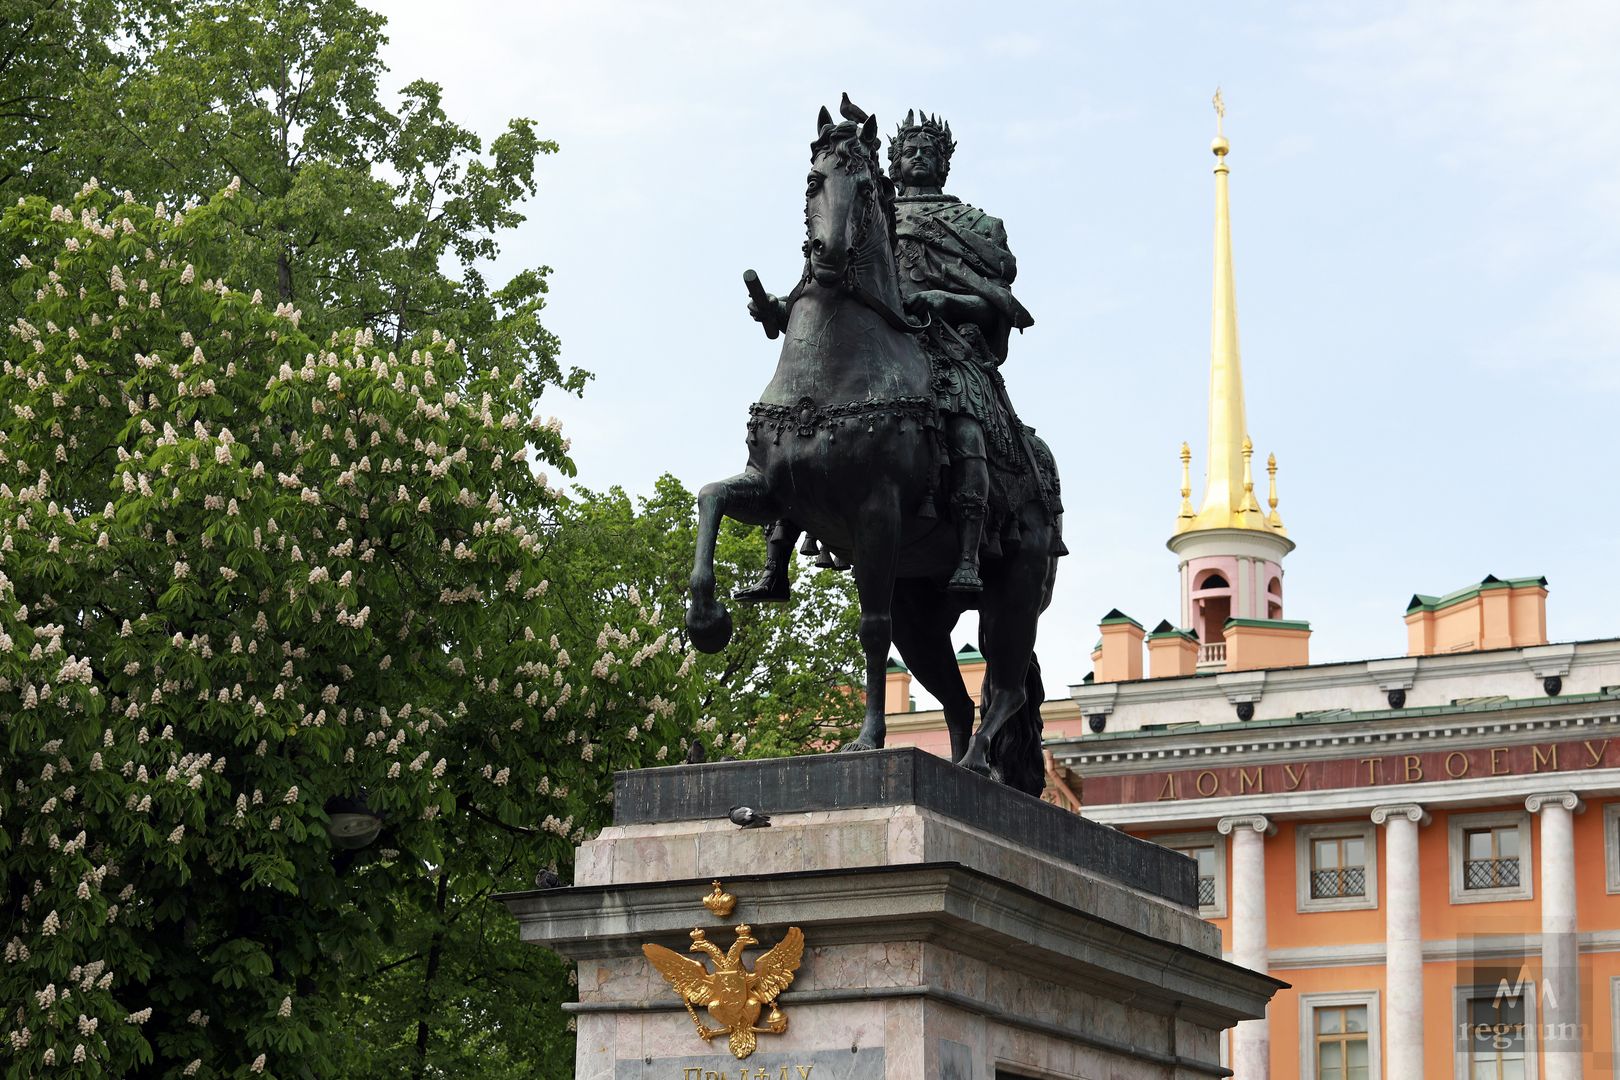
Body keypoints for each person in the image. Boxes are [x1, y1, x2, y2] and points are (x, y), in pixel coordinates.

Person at [737, 109, 1034, 600]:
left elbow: (996, 299)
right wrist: (783, 308)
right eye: (909, 150)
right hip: (870, 345)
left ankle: (967, 550)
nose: (918, 156)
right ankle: (779, 552)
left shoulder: (977, 224)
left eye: (929, 151)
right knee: (799, 416)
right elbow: (834, 281)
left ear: (944, 164)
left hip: (946, 342)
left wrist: (943, 300)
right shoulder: (866, 206)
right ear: (892, 162)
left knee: (964, 412)